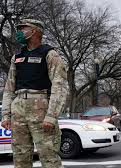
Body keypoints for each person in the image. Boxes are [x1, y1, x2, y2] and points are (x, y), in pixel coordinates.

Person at [1, 19, 68, 168]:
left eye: (24, 28)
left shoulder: (50, 54)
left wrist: (51, 116)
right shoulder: (16, 57)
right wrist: (6, 114)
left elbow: (60, 87)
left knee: (49, 157)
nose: (20, 32)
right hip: (18, 109)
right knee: (20, 157)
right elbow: (9, 87)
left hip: (41, 108)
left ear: (35, 31)